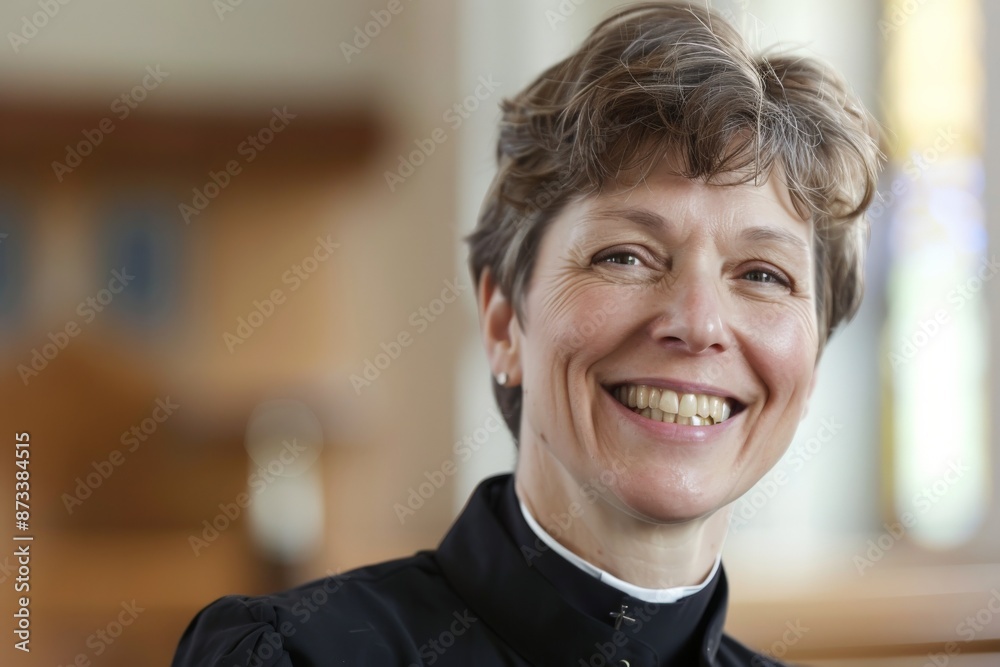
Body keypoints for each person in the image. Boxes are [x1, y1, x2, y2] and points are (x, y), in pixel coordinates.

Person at [171, 2, 881, 665]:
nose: (697, 323)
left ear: (813, 357)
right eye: (625, 256)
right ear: (505, 320)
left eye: (763, 274)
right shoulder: (297, 655)